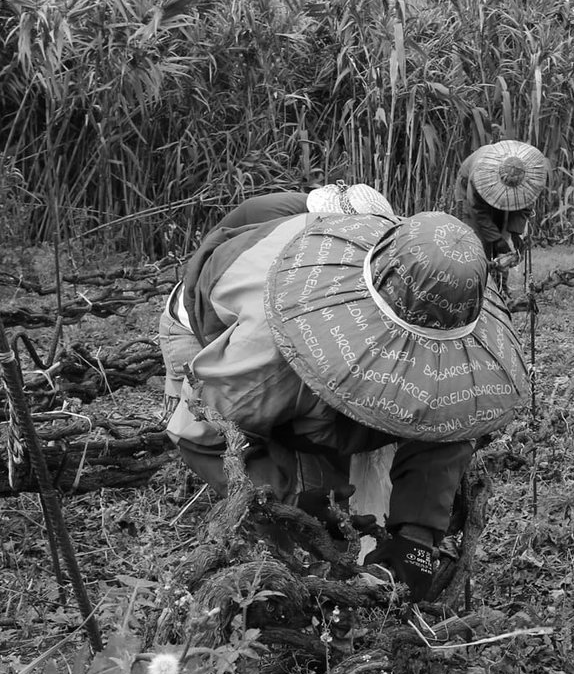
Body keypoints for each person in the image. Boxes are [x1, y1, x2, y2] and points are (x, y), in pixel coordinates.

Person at [159, 199, 528, 602]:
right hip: (207, 332)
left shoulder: (436, 285)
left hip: (302, 358)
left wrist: (417, 538)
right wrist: (292, 502)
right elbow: (200, 433)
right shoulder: (272, 352)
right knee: (299, 533)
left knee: (350, 499)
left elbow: (445, 419)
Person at [454, 140, 548, 272]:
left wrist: (515, 232)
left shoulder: (528, 178)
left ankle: (500, 280)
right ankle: (477, 278)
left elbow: (525, 204)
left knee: (503, 237)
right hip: (469, 190)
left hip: (497, 186)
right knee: (476, 240)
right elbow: (477, 210)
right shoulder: (479, 176)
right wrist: (496, 239)